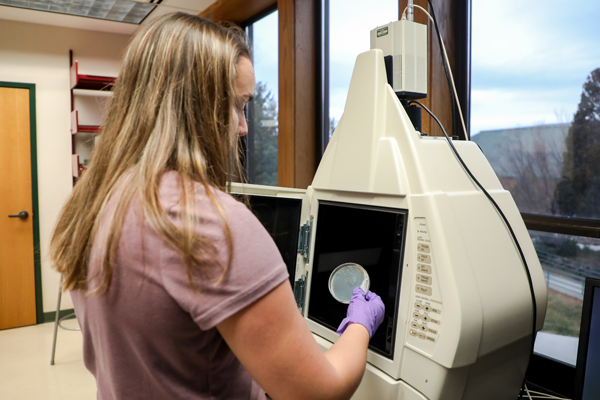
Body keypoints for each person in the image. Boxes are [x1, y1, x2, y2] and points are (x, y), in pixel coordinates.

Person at [50, 12, 385, 400]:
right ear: (196, 105)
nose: (243, 127)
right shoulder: (212, 224)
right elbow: (319, 391)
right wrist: (359, 325)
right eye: (239, 105)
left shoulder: (95, 200)